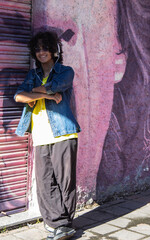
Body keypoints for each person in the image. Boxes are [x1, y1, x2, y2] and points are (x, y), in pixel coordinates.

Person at [14, 31, 81, 240]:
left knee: (65, 181)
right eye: (38, 49)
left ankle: (63, 224)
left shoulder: (65, 71)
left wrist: (34, 94)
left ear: (54, 50)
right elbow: (18, 96)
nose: (41, 52)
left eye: (45, 48)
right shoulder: (32, 75)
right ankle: (57, 224)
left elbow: (56, 86)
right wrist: (43, 94)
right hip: (41, 136)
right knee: (45, 183)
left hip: (63, 133)